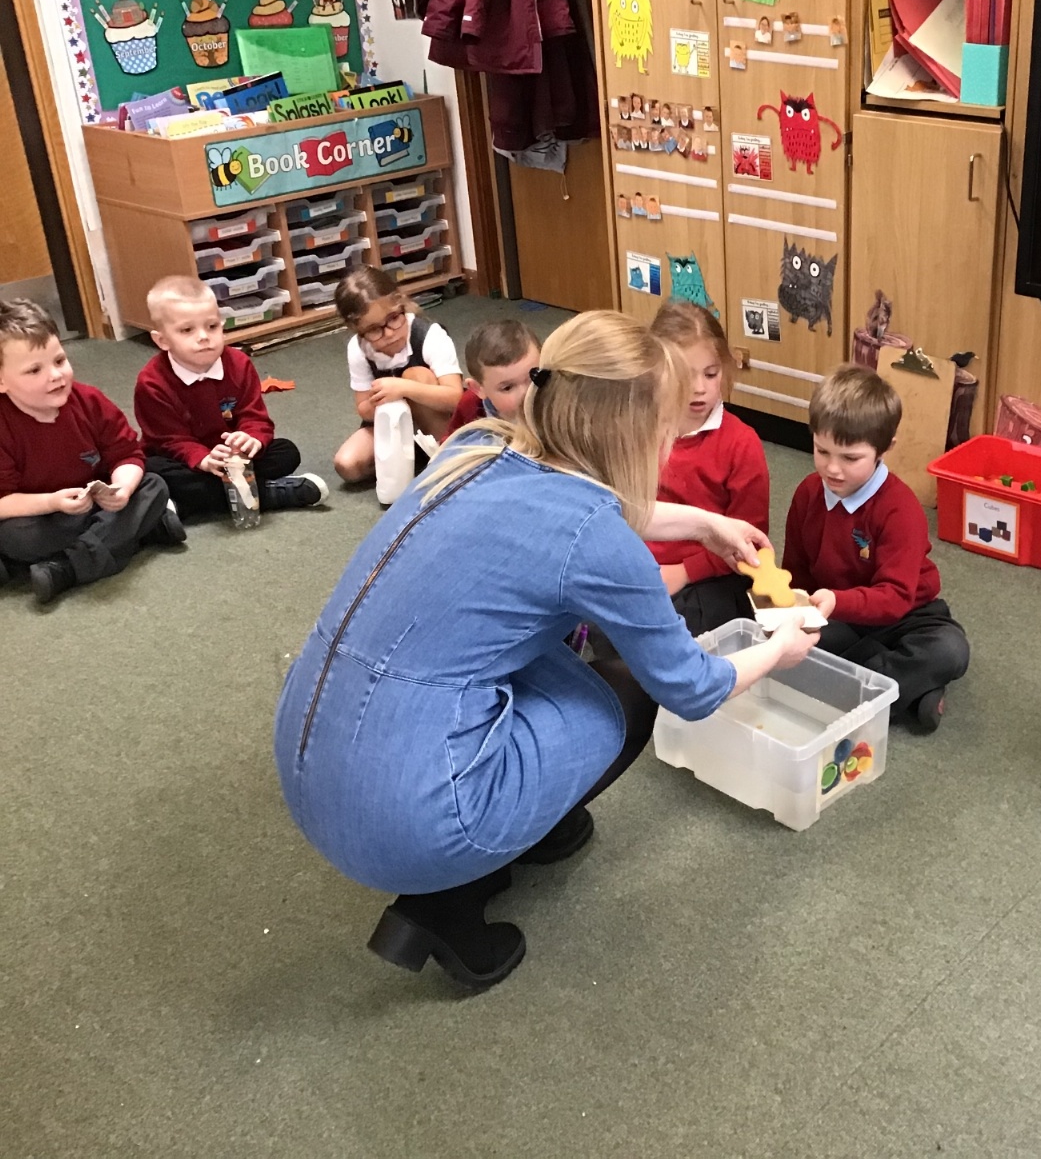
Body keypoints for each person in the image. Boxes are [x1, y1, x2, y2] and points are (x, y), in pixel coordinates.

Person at [273, 310, 816, 989]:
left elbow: (586, 507)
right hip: (405, 821)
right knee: (628, 689)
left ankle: (526, 815)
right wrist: (780, 644)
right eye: (668, 432)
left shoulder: (477, 444)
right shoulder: (598, 540)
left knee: (531, 636)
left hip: (307, 753)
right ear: (637, 434)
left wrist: (706, 524)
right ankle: (448, 900)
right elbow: (693, 687)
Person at [781, 365, 969, 733]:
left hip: (908, 615)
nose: (833, 469)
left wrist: (835, 602)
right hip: (837, 612)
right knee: (783, 645)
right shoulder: (807, 493)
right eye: (822, 451)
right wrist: (793, 611)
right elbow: (796, 571)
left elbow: (896, 596)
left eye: (850, 458)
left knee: (948, 651)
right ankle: (910, 695)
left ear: (885, 449)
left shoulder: (900, 508)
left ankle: (850, 690)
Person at [0, 298, 184, 604]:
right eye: (34, 370)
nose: (55, 375)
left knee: (153, 485)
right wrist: (51, 502)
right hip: (45, 515)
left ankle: (67, 568)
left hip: (100, 506)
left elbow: (128, 455)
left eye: (59, 360)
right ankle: (136, 535)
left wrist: (122, 489)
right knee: (14, 537)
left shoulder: (90, 401)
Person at [134, 276, 328, 519]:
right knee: (151, 470)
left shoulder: (239, 364)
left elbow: (255, 417)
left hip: (234, 458)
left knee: (286, 452)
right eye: (187, 330)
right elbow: (168, 440)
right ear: (162, 340)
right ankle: (268, 494)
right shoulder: (151, 382)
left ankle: (189, 505)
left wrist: (251, 439)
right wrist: (203, 459)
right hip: (186, 461)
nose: (204, 336)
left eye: (212, 326)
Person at [647, 302, 769, 636]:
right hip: (643, 565)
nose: (699, 388)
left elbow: (750, 542)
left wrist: (684, 572)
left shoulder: (741, 443)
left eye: (711, 374)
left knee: (685, 630)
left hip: (710, 576)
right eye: (684, 376)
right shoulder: (637, 428)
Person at [331, 267, 463, 483]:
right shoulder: (358, 348)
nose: (389, 333)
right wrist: (386, 398)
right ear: (356, 328)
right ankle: (413, 456)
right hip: (390, 421)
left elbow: (456, 398)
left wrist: (403, 389)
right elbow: (364, 409)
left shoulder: (430, 336)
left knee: (416, 375)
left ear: (401, 303)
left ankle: (450, 456)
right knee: (347, 465)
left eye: (393, 318)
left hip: (440, 420)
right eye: (374, 329)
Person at [440, 318, 542, 437]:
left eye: (534, 376)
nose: (527, 394)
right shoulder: (470, 406)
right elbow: (452, 443)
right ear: (478, 388)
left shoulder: (557, 393)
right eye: (507, 388)